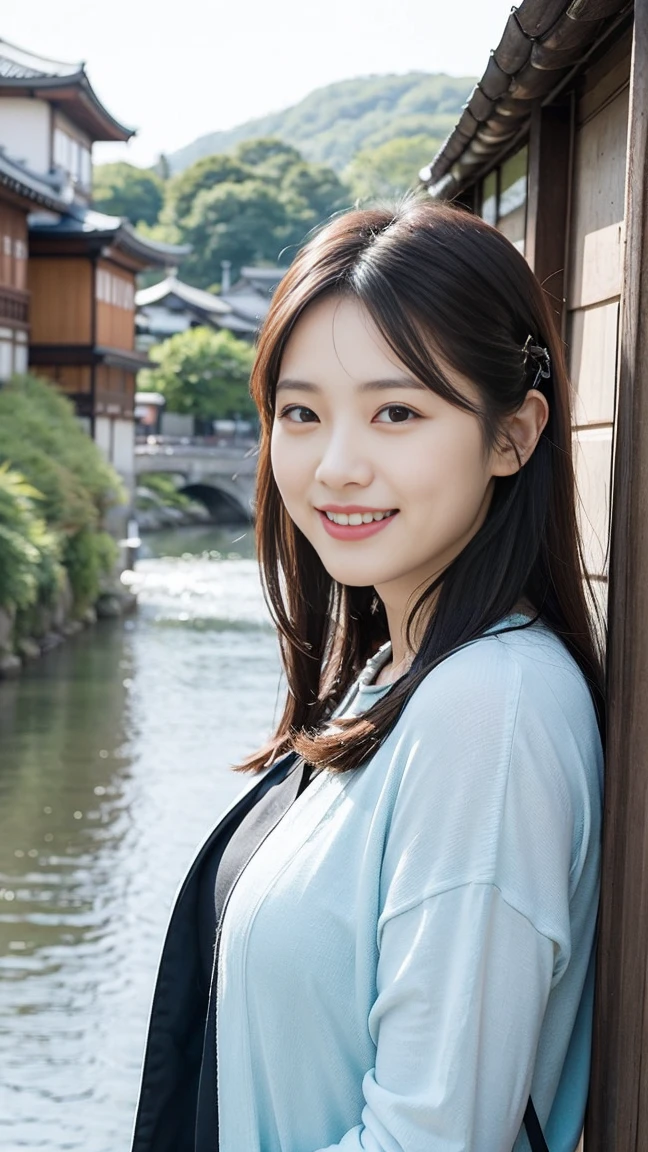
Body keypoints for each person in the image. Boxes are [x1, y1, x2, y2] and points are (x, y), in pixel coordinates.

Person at [130, 200, 605, 1152]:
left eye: (397, 412)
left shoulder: (489, 710)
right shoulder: (396, 674)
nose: (336, 465)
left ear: (513, 436)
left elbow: (429, 1137)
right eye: (301, 414)